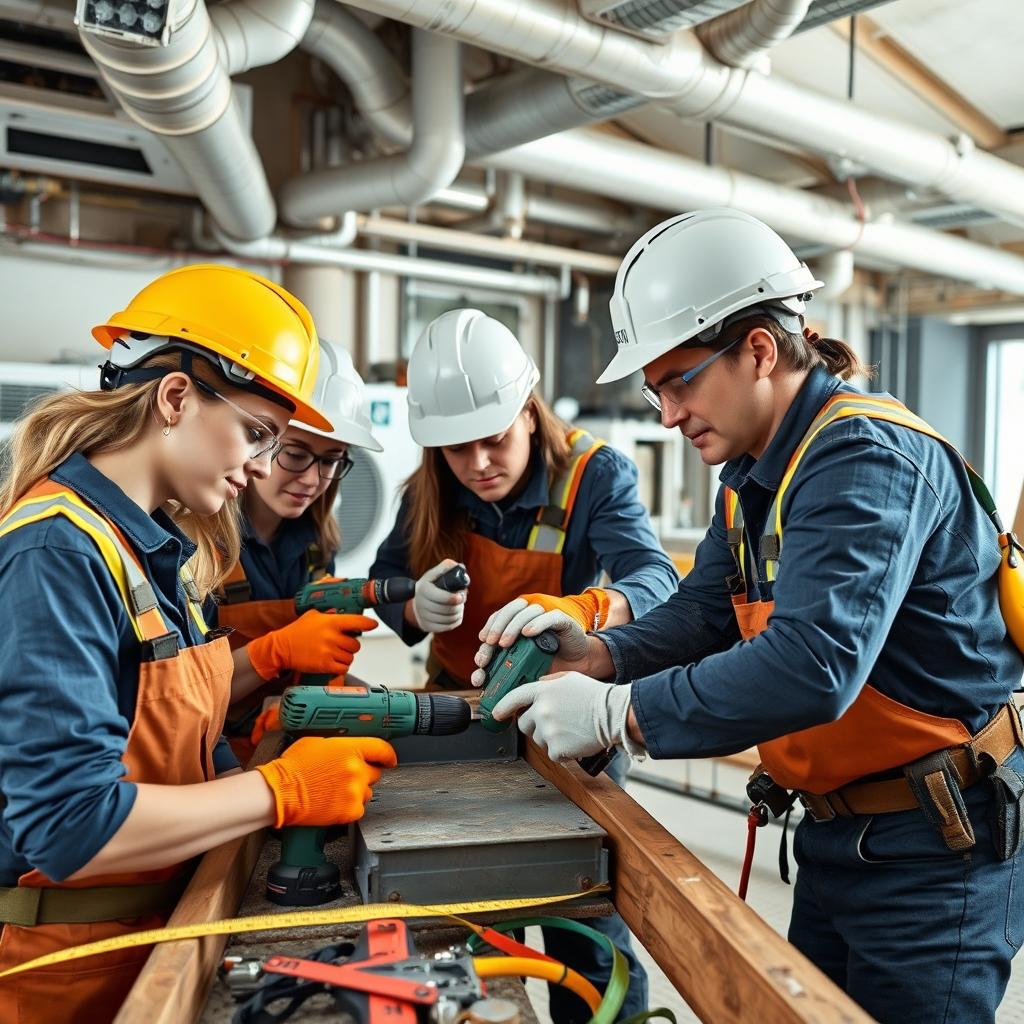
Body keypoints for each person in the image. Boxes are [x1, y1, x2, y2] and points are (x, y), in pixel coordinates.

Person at [491, 208, 1024, 1024]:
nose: (666, 414)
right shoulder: (753, 472)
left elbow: (813, 665)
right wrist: (595, 654)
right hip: (841, 835)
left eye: (678, 382)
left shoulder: (862, 458)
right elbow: (705, 610)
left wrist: (618, 713)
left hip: (934, 852)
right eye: (654, 388)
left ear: (760, 350)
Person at [0, 265, 397, 1024]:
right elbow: (69, 825)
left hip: (155, 931)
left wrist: (270, 730)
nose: (257, 468)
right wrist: (279, 790)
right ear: (176, 397)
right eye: (257, 434)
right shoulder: (58, 552)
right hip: (62, 971)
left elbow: (176, 731)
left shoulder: (156, 548)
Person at [370, 307, 680, 1023]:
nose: (478, 464)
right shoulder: (428, 491)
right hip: (456, 723)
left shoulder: (594, 475)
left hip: (566, 726)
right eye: (456, 450)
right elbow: (385, 589)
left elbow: (656, 580)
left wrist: (583, 611)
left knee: (590, 928)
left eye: (494, 439)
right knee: (474, 920)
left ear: (530, 414)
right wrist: (416, 608)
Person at [218, 341, 384, 763]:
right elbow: (180, 694)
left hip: (290, 748)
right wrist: (276, 650)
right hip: (216, 766)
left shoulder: (316, 543)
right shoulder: (199, 547)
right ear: (259, 436)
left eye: (331, 461)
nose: (313, 479)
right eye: (294, 455)